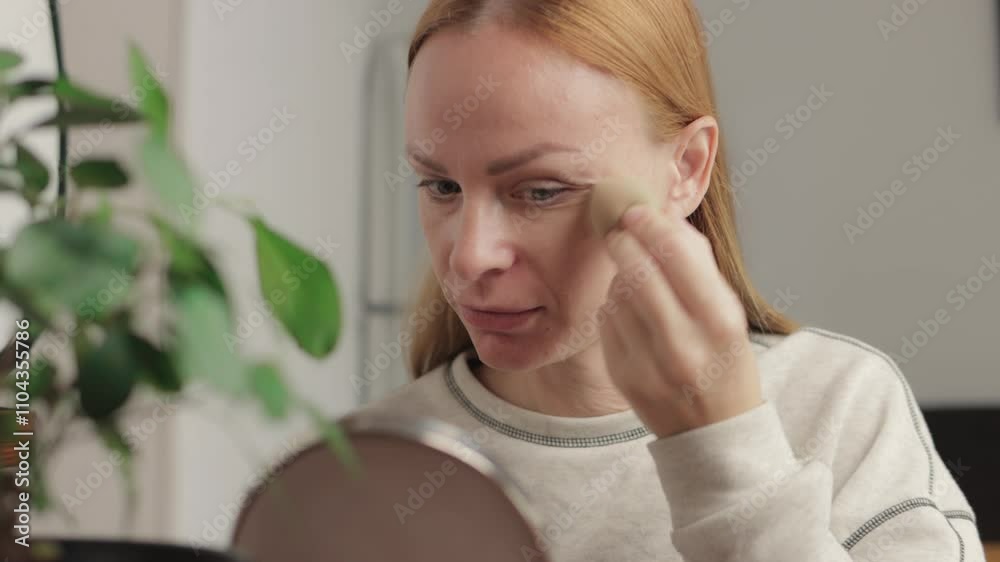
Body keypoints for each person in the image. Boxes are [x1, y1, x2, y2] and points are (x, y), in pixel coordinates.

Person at [353, 1, 986, 560]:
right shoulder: (362, 472)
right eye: (440, 185)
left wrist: (723, 448)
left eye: (542, 191)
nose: (468, 258)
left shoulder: (841, 406)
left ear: (686, 167)